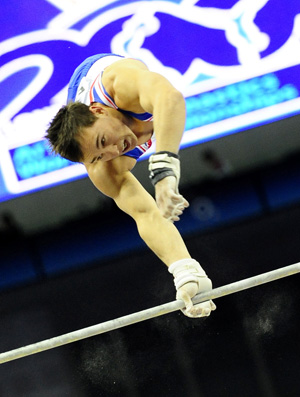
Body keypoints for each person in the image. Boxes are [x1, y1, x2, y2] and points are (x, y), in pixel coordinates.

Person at [46, 53, 216, 318]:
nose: (115, 150)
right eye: (100, 154)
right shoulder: (104, 167)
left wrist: (164, 167)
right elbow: (145, 213)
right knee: (110, 171)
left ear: (98, 110)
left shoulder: (119, 86)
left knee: (158, 100)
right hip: (85, 114)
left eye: (104, 141)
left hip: (94, 70)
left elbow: (171, 98)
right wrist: (184, 270)